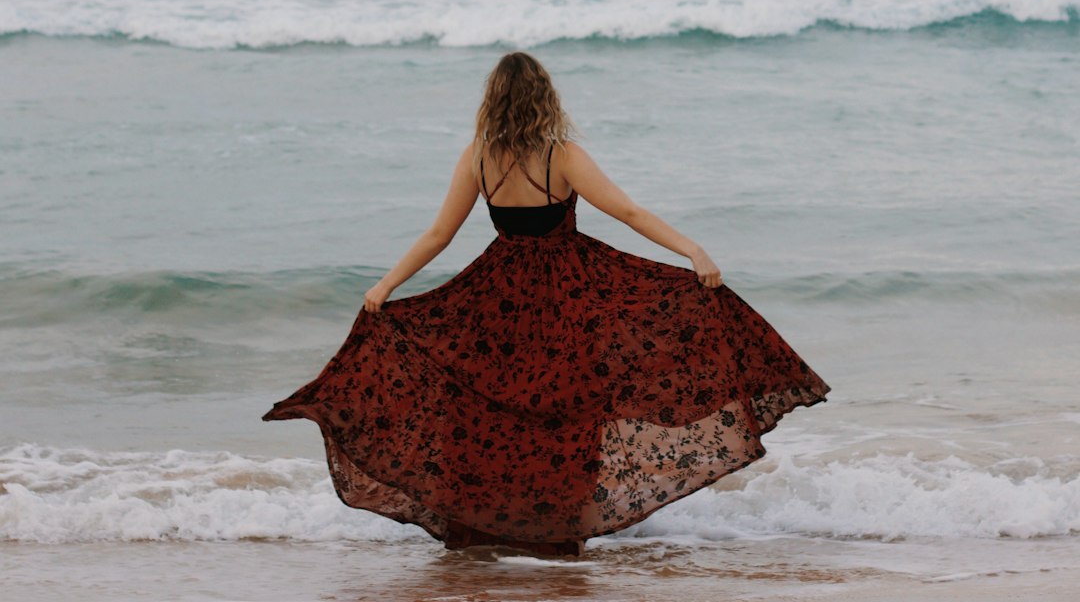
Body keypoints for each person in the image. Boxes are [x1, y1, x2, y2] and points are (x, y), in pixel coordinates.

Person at [262, 51, 829, 555]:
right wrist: (692, 250)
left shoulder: (478, 157)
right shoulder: (563, 156)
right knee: (564, 408)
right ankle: (558, 530)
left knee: (489, 409)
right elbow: (628, 212)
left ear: (494, 100)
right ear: (545, 98)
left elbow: (439, 235)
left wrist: (386, 285)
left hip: (495, 298)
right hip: (565, 296)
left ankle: (486, 530)